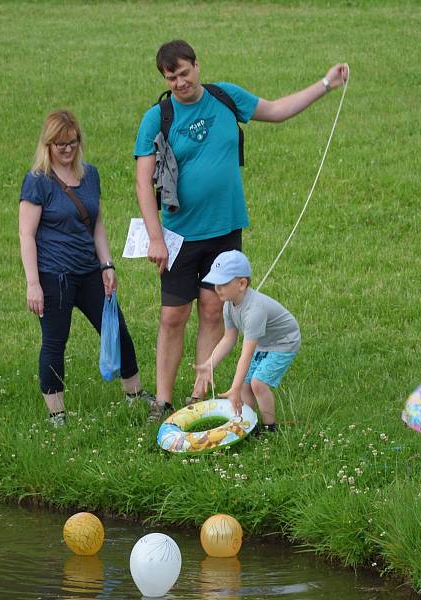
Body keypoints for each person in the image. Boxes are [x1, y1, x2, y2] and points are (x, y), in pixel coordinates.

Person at [134, 39, 347, 421]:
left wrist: (326, 84)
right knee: (172, 316)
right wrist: (154, 238)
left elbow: (278, 110)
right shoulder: (158, 117)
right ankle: (162, 401)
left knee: (214, 311)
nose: (180, 82)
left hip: (224, 230)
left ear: (197, 66)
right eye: (172, 77)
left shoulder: (225, 98)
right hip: (179, 235)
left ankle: (200, 395)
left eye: (184, 73)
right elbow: (142, 181)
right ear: (164, 79)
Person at [19, 109, 151, 427]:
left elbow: (97, 223)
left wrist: (107, 264)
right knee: (55, 341)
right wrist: (33, 283)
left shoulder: (89, 174)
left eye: (72, 143)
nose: (67, 150)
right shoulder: (38, 181)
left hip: (89, 270)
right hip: (55, 276)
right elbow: (27, 234)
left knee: (116, 329)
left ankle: (135, 394)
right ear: (47, 145)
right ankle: (57, 413)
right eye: (60, 144)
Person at [193, 251, 300, 433]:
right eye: (216, 283)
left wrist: (233, 389)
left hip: (284, 342)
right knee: (245, 385)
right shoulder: (228, 305)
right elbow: (228, 339)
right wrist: (209, 364)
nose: (217, 288)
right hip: (266, 341)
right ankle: (249, 423)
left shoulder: (254, 311)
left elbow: (246, 354)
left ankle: (269, 427)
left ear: (242, 284)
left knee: (258, 383)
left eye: (224, 283)